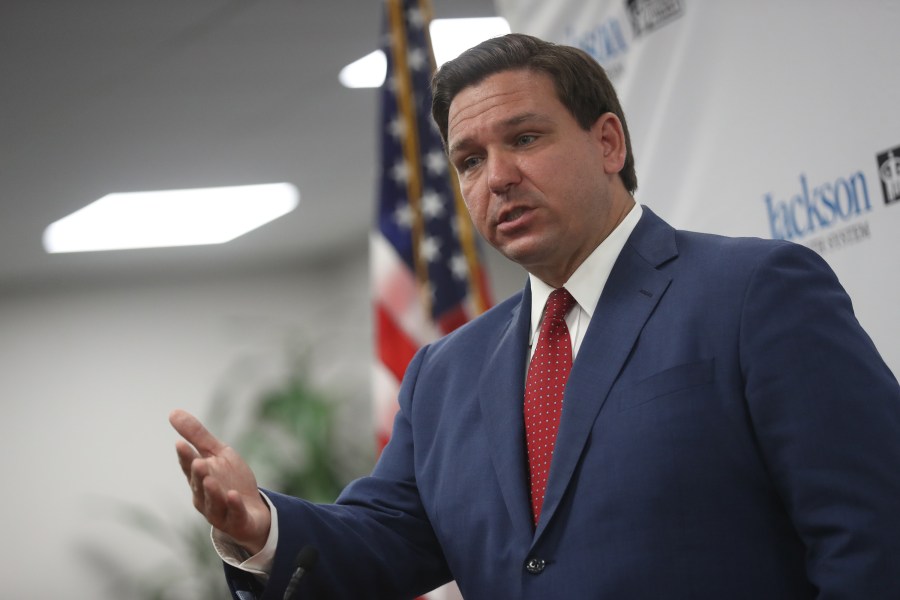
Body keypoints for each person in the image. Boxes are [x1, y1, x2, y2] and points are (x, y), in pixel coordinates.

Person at [170, 33, 900, 598]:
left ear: (607, 142)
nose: (499, 178)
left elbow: (872, 535)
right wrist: (261, 527)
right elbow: (389, 535)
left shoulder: (753, 291)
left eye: (523, 139)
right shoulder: (444, 371)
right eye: (469, 160)